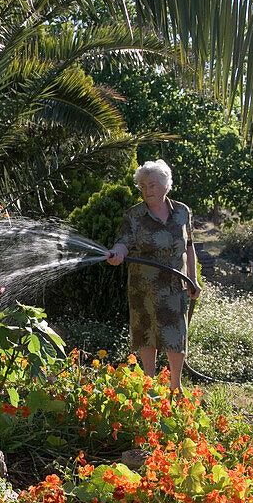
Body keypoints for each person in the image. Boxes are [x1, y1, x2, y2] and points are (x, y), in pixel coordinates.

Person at [107, 159, 201, 394]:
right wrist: (117, 253)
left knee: (176, 334)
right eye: (143, 186)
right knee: (146, 333)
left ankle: (175, 387)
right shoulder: (134, 216)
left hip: (175, 285)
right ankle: (149, 384)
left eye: (152, 185)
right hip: (144, 287)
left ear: (165, 185)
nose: (147, 191)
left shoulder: (182, 212)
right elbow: (124, 242)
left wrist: (193, 278)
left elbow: (189, 246)